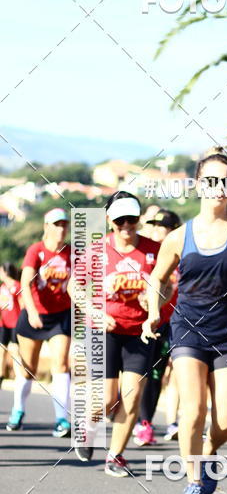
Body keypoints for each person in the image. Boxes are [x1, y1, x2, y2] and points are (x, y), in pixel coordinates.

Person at [142, 147, 227, 494]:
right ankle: (194, 483)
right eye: (211, 181)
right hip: (186, 330)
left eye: (225, 182)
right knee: (193, 409)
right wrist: (153, 309)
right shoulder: (178, 237)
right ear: (199, 185)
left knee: (226, 420)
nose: (218, 187)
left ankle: (210, 452)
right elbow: (158, 277)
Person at [70, 191, 162, 477]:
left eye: (132, 219)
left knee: (132, 396)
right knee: (107, 399)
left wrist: (155, 301)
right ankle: (89, 427)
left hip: (140, 331)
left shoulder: (154, 249)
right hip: (104, 330)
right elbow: (74, 287)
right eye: (120, 219)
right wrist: (94, 312)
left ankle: (115, 456)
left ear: (139, 220)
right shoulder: (97, 250)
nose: (126, 225)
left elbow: (169, 284)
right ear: (109, 220)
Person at [7, 208, 72, 436]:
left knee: (62, 365)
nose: (61, 229)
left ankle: (62, 419)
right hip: (34, 315)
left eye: (64, 224)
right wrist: (32, 311)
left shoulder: (70, 253)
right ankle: (18, 410)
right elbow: (25, 282)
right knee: (28, 369)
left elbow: (78, 283)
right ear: (47, 227)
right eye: (56, 224)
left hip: (61, 316)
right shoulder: (36, 251)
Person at [133, 209, 181, 446]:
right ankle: (144, 424)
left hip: (178, 321)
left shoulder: (183, 253)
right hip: (152, 321)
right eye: (154, 225)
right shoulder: (147, 252)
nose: (157, 229)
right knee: (150, 374)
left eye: (162, 225)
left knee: (168, 373)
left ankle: (169, 422)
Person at [0, 262, 22, 389]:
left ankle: (19, 377)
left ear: (5, 272)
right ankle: (1, 376)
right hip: (3, 324)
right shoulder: (2, 287)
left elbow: (22, 303)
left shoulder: (17, 286)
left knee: (15, 350)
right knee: (1, 351)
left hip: (15, 323)